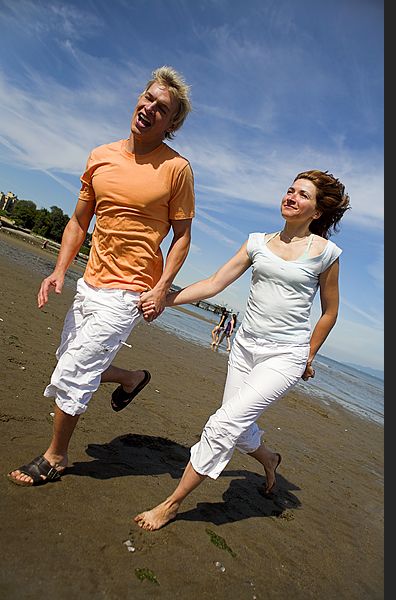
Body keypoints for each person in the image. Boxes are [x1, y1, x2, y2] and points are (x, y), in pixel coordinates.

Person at [8, 66, 195, 486]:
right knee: (68, 359)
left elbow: (182, 238)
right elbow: (78, 221)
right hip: (90, 280)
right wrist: (59, 270)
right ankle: (132, 378)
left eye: (160, 108)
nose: (148, 108)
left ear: (171, 124)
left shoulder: (176, 169)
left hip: (130, 291)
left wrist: (162, 288)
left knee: (73, 373)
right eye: (147, 98)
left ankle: (55, 457)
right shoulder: (101, 156)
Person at [135, 169, 350, 531]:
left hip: (285, 356)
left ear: (316, 212)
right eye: (289, 190)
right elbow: (214, 283)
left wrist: (309, 355)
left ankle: (172, 504)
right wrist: (165, 298)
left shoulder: (326, 253)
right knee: (240, 427)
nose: (291, 197)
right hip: (244, 347)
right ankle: (271, 460)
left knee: (223, 424)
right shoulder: (257, 243)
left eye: (302, 195)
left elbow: (330, 311)